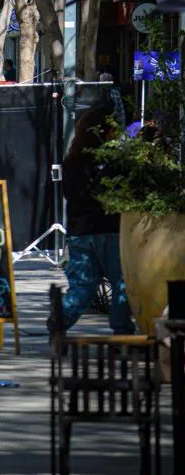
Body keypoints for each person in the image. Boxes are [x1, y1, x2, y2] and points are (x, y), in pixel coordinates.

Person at [55, 107, 135, 334]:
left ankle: (60, 320)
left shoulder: (72, 161)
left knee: (83, 286)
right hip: (109, 228)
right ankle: (122, 330)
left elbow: (69, 194)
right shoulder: (113, 161)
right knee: (121, 282)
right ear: (106, 132)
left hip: (80, 230)